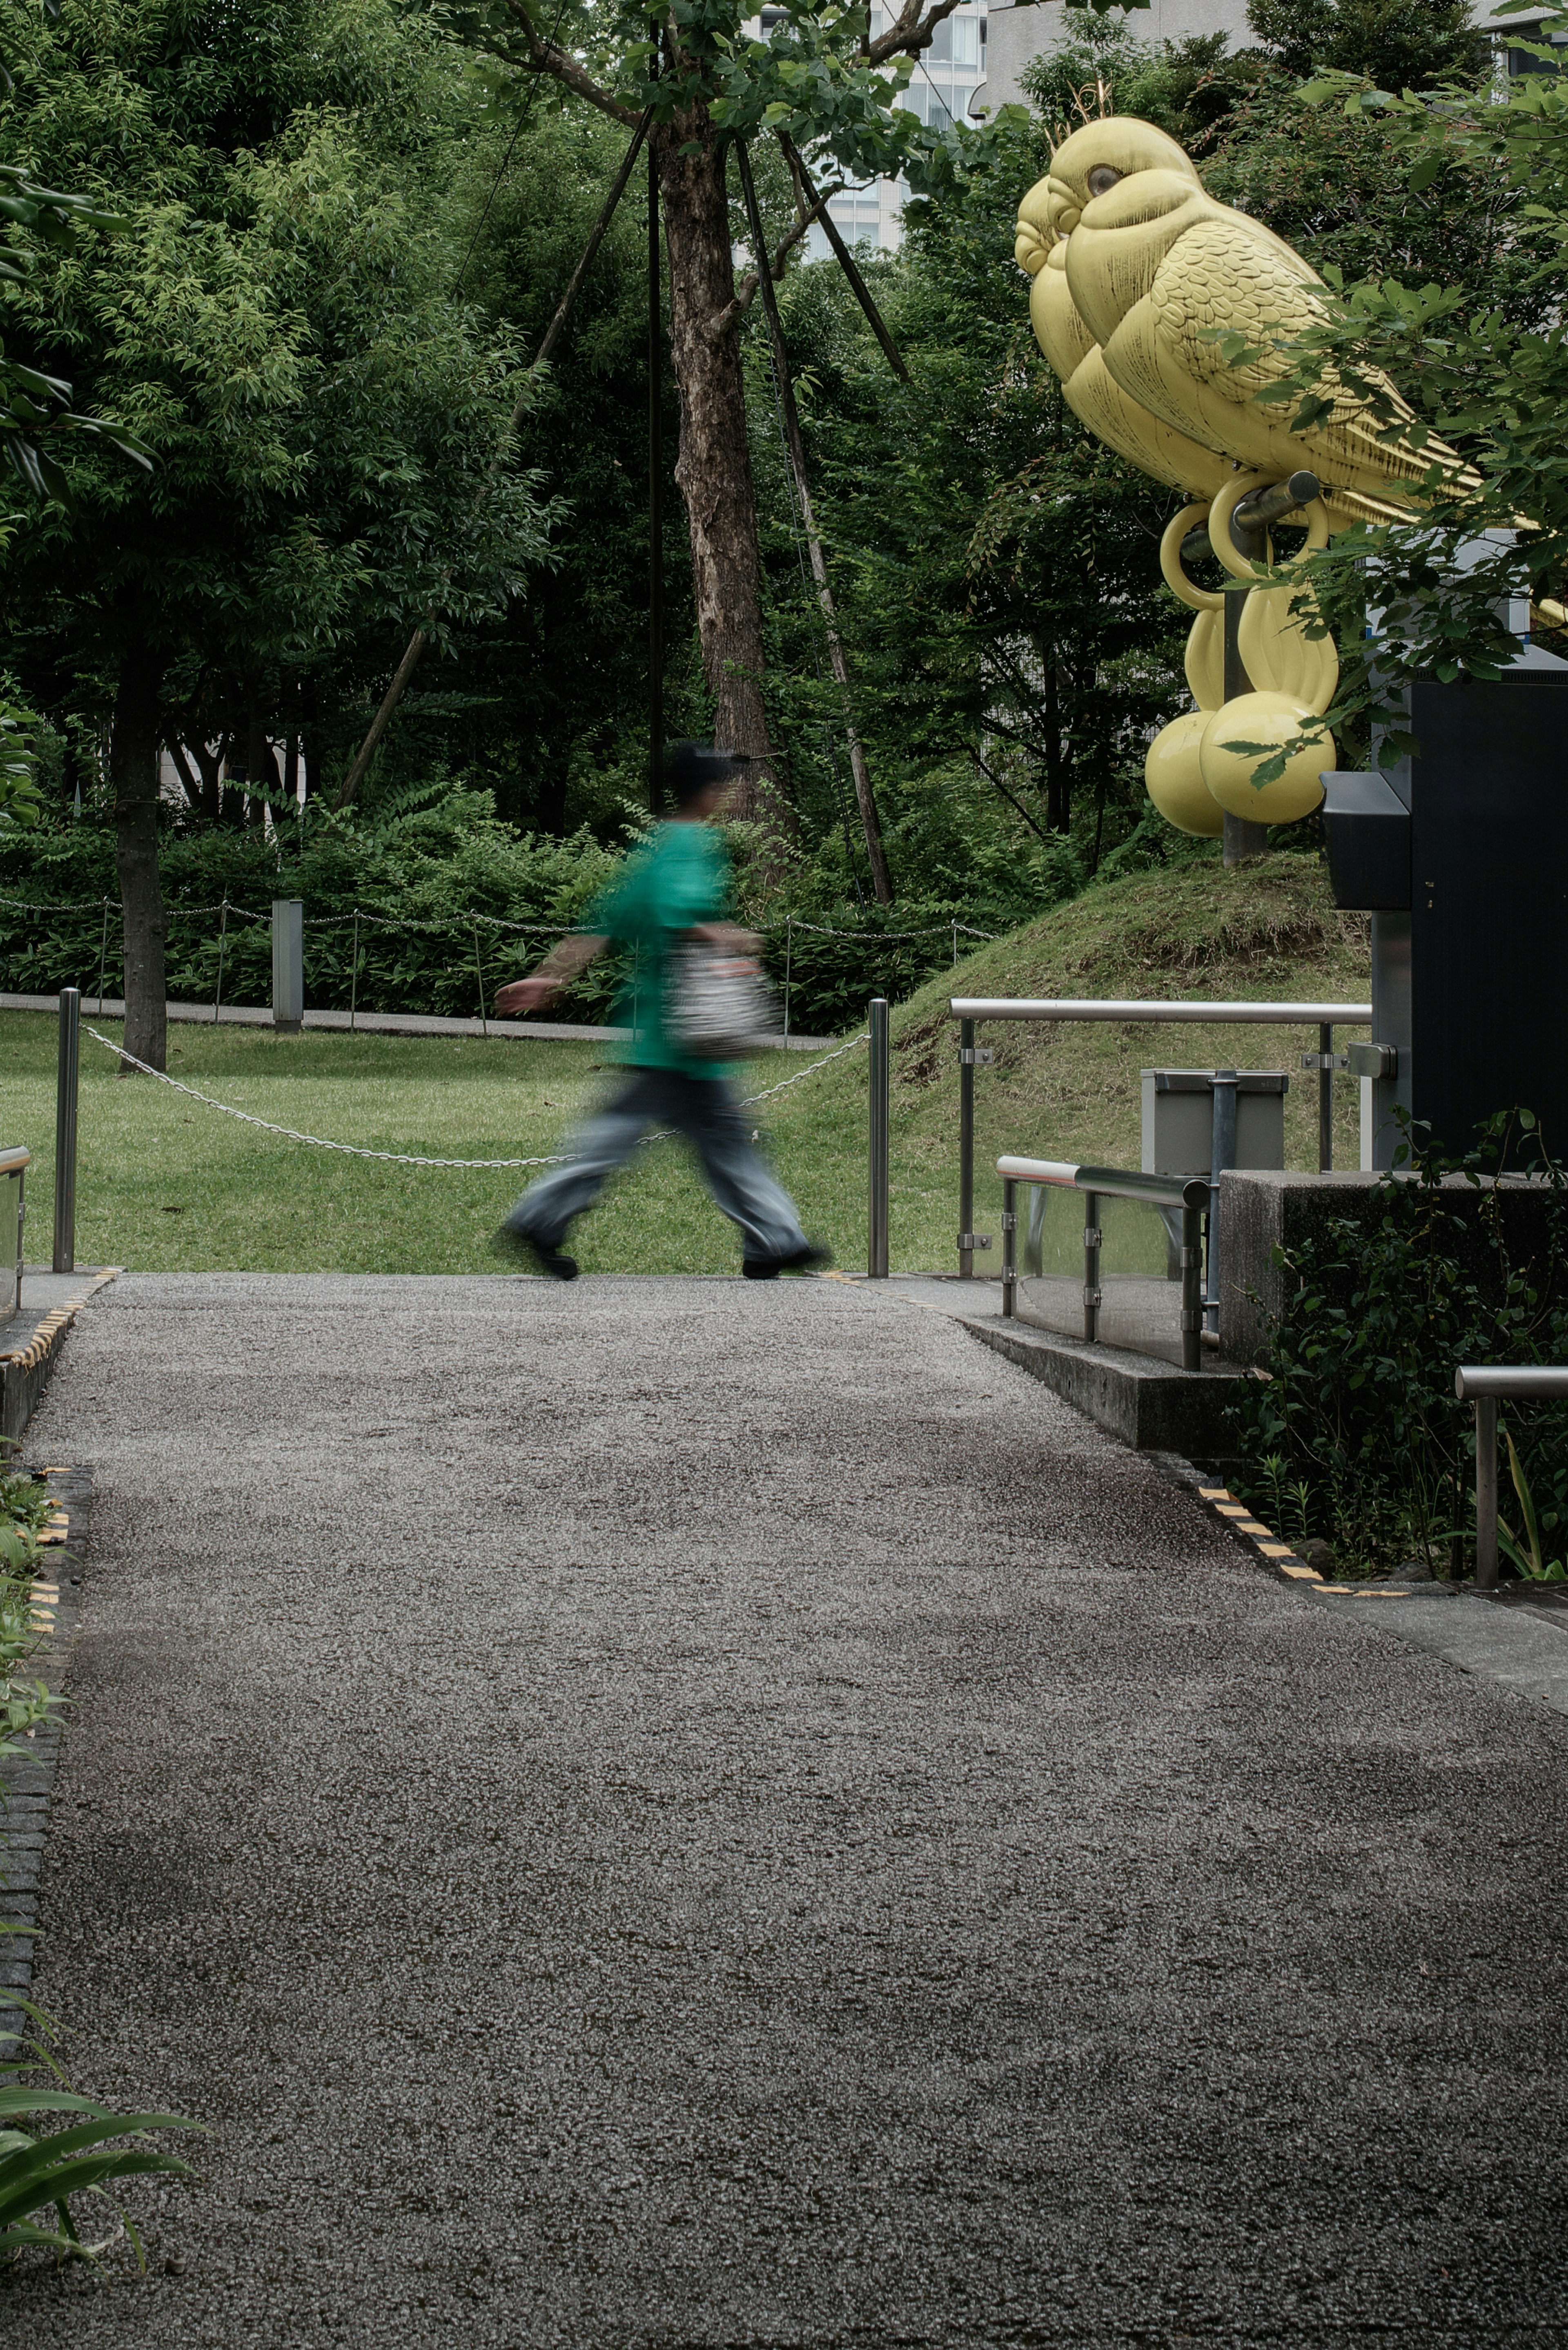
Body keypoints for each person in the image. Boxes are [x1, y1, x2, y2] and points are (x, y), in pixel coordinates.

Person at [492, 742, 828, 1283]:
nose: (726, 793)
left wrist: (552, 975)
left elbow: (606, 920)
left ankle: (772, 1237)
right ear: (706, 791)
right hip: (687, 1032)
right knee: (709, 1137)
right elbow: (678, 918)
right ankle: (773, 1237)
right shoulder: (694, 843)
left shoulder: (654, 847)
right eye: (721, 784)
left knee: (670, 1135)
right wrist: (735, 937)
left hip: (660, 1029)